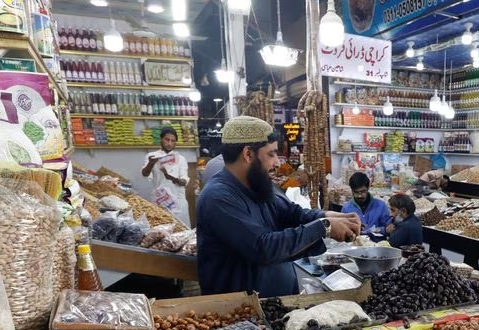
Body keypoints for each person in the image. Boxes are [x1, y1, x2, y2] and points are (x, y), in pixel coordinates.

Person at [196, 116, 361, 297]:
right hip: (240, 311)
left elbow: (292, 214)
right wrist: (325, 227)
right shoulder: (218, 197)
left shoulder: (257, 185)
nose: (277, 163)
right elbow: (263, 247)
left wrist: (331, 216)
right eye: (271, 154)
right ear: (248, 154)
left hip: (275, 300)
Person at [142, 126, 191, 226]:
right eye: (167, 139)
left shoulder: (181, 159)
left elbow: (184, 182)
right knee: (162, 234)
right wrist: (151, 163)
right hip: (160, 201)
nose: (169, 143)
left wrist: (171, 177)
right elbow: (145, 174)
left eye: (173, 141)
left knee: (182, 233)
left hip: (178, 202)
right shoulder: (152, 157)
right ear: (161, 139)